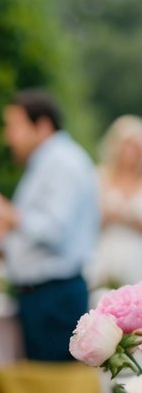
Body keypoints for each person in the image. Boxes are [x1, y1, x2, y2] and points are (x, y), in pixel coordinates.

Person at [0, 89, 98, 362]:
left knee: (53, 391)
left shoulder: (63, 162)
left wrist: (5, 211)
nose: (8, 136)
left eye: (14, 126)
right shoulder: (47, 163)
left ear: (41, 126)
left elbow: (54, 230)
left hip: (54, 299)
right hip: (45, 298)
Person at [88, 114, 142, 291]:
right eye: (127, 144)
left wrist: (130, 220)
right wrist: (108, 214)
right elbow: (88, 220)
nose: (130, 152)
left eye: (135, 146)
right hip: (105, 250)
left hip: (136, 253)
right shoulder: (100, 176)